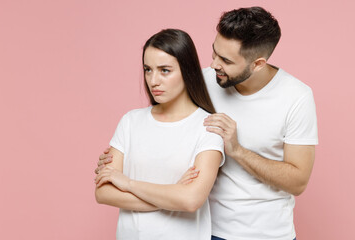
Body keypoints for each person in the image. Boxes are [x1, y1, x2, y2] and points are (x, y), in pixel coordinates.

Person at [97, 6, 318, 240]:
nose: (213, 65)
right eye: (214, 53)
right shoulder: (202, 81)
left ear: (258, 64)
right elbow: (159, 126)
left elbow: (298, 182)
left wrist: (238, 151)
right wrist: (120, 158)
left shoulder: (296, 97)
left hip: (269, 233)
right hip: (206, 230)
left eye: (225, 60)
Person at [94, 28, 224, 240]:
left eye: (165, 70)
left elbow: (191, 200)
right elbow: (103, 192)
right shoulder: (130, 121)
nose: (153, 80)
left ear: (187, 70)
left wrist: (128, 184)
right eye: (148, 69)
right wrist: (172, 194)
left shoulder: (208, 127)